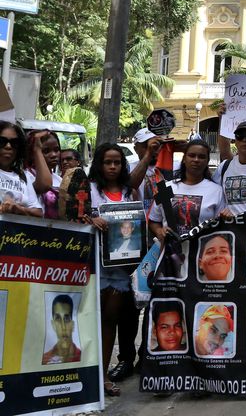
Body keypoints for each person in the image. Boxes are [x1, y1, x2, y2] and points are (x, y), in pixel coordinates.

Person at [86, 143, 149, 396]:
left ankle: (101, 379)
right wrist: (91, 219)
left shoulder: (130, 192)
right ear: (99, 165)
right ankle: (85, 376)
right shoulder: (89, 189)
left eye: (117, 162)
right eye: (107, 162)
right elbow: (73, 215)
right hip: (91, 264)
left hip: (120, 269)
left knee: (109, 320)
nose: (112, 167)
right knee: (88, 321)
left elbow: (137, 225)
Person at [148, 139, 227, 238]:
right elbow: (153, 220)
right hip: (171, 251)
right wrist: (159, 231)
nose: (196, 160)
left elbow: (220, 227)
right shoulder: (166, 188)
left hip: (201, 251)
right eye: (192, 155)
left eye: (201, 157)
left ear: (207, 161)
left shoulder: (217, 191)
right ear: (184, 159)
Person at [0, 121, 44, 216]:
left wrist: (18, 209)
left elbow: (39, 213)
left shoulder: (23, 176)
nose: (8, 146)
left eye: (14, 143)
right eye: (2, 142)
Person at [41, 294, 81, 364]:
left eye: (66, 319)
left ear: (72, 325)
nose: (63, 327)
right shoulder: (44, 360)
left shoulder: (84, 358)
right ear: (53, 325)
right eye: (58, 318)